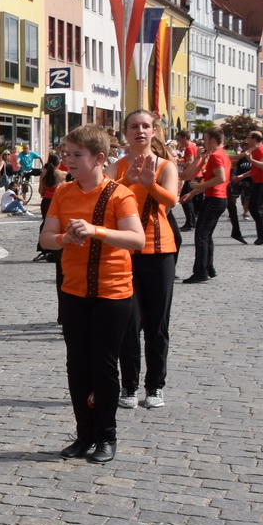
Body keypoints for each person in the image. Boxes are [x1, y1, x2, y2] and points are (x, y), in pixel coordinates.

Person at [40, 126, 146, 464]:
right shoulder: (63, 192)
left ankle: (106, 434)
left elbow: (136, 240)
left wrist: (96, 231)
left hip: (112, 292)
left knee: (103, 366)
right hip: (73, 291)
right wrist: (63, 240)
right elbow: (45, 237)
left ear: (99, 158)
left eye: (77, 155)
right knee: (76, 365)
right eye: (67, 154)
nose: (68, 160)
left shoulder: (119, 195)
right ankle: (83, 433)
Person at [110, 111, 179, 411]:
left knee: (157, 323)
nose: (140, 131)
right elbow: (105, 197)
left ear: (154, 132)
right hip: (125, 251)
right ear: (125, 132)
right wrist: (128, 179)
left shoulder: (166, 165)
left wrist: (149, 183)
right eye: (134, 126)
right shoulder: (117, 167)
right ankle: (129, 386)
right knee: (128, 322)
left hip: (160, 249)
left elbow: (171, 201)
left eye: (146, 126)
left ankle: (155, 386)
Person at [180, 128, 229, 284]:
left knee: (201, 235)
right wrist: (193, 192)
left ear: (213, 140)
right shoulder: (221, 154)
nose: (204, 142)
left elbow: (220, 178)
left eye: (206, 139)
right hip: (219, 198)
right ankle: (208, 268)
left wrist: (196, 187)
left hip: (214, 198)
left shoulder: (215, 156)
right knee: (206, 235)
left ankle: (200, 271)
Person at [242, 130, 263, 245]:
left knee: (256, 207)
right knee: (255, 207)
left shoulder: (261, 150)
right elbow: (255, 168)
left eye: (249, 137)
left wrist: (251, 160)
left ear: (254, 139)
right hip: (261, 181)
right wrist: (242, 175)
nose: (247, 139)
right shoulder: (256, 149)